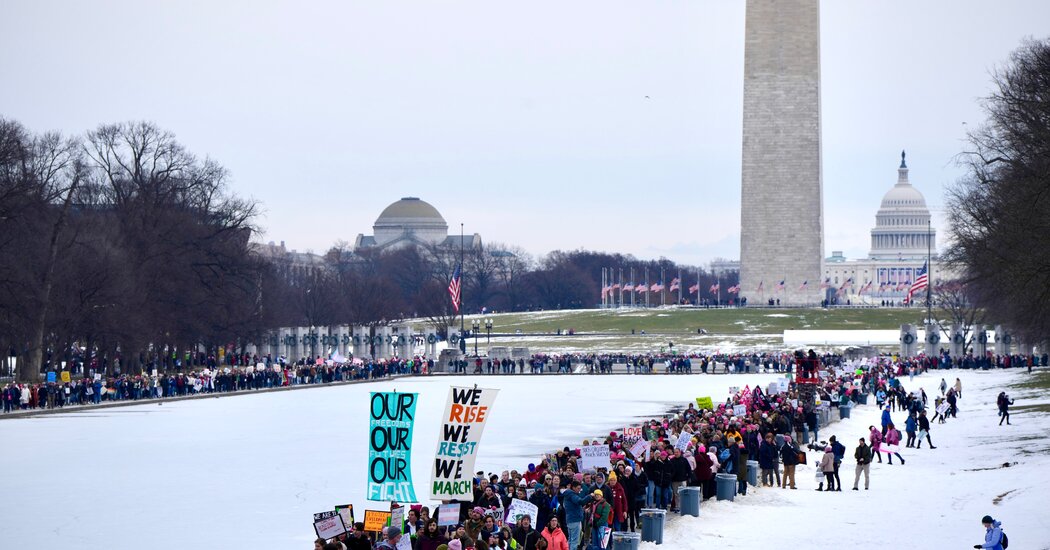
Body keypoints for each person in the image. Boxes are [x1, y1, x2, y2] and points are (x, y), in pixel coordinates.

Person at [562, 481, 595, 550]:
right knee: (574, 541)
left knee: (570, 540)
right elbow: (581, 501)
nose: (579, 490)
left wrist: (580, 509)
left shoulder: (568, 495)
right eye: (578, 488)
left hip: (570, 520)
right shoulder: (572, 495)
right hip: (575, 520)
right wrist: (590, 496)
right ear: (573, 488)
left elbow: (573, 506)